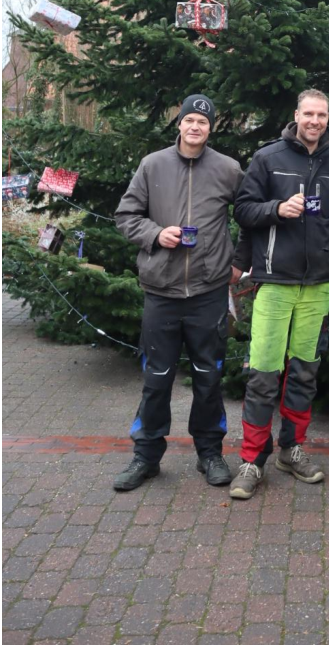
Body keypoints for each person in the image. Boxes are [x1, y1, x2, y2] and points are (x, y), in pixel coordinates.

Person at [113, 94, 243, 491]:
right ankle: (146, 457)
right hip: (162, 291)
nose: (195, 127)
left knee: (208, 377)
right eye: (189, 120)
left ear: (210, 128)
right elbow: (125, 215)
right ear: (179, 124)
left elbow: (251, 214)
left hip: (208, 291)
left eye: (203, 122)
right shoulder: (153, 165)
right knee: (157, 378)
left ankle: (210, 454)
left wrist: (239, 260)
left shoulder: (228, 169)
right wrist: (156, 234)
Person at [228, 90, 329, 501]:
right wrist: (277, 209)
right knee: (263, 372)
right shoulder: (268, 158)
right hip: (275, 282)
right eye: (308, 113)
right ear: (296, 115)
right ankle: (251, 460)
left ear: (327, 118)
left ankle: (290, 450)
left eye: (321, 114)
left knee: (304, 371)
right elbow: (243, 210)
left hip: (317, 287)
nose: (314, 120)